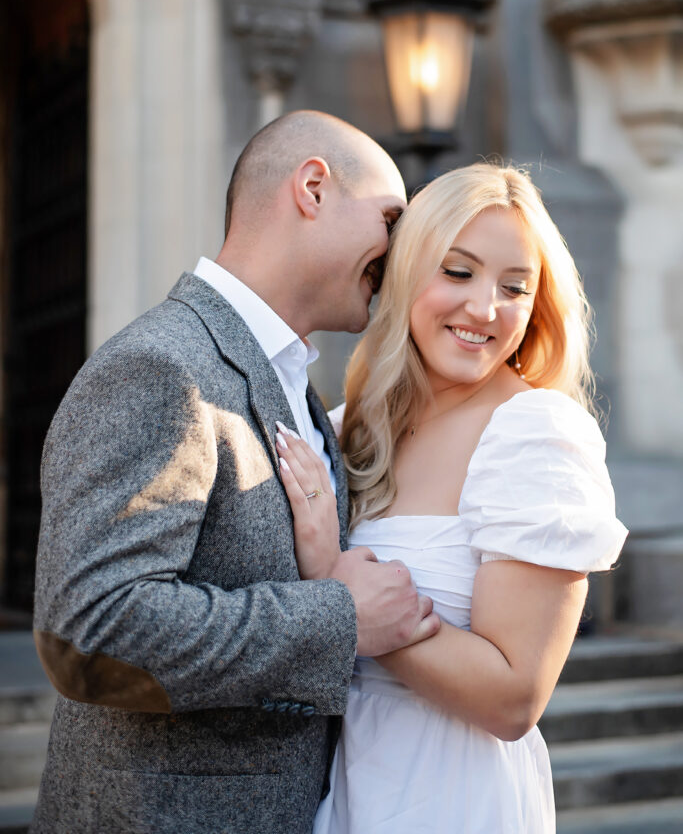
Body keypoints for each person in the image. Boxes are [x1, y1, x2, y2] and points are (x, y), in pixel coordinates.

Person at [30, 110, 440, 834]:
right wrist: (341, 619)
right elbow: (90, 630)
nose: (397, 252)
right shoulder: (161, 367)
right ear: (312, 189)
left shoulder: (296, 386)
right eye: (389, 219)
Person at [277, 162, 628, 834]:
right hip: (338, 788)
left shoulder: (534, 434)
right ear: (405, 270)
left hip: (453, 797)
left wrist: (335, 587)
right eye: (457, 272)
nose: (484, 309)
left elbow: (513, 698)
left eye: (514, 288)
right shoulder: (352, 422)